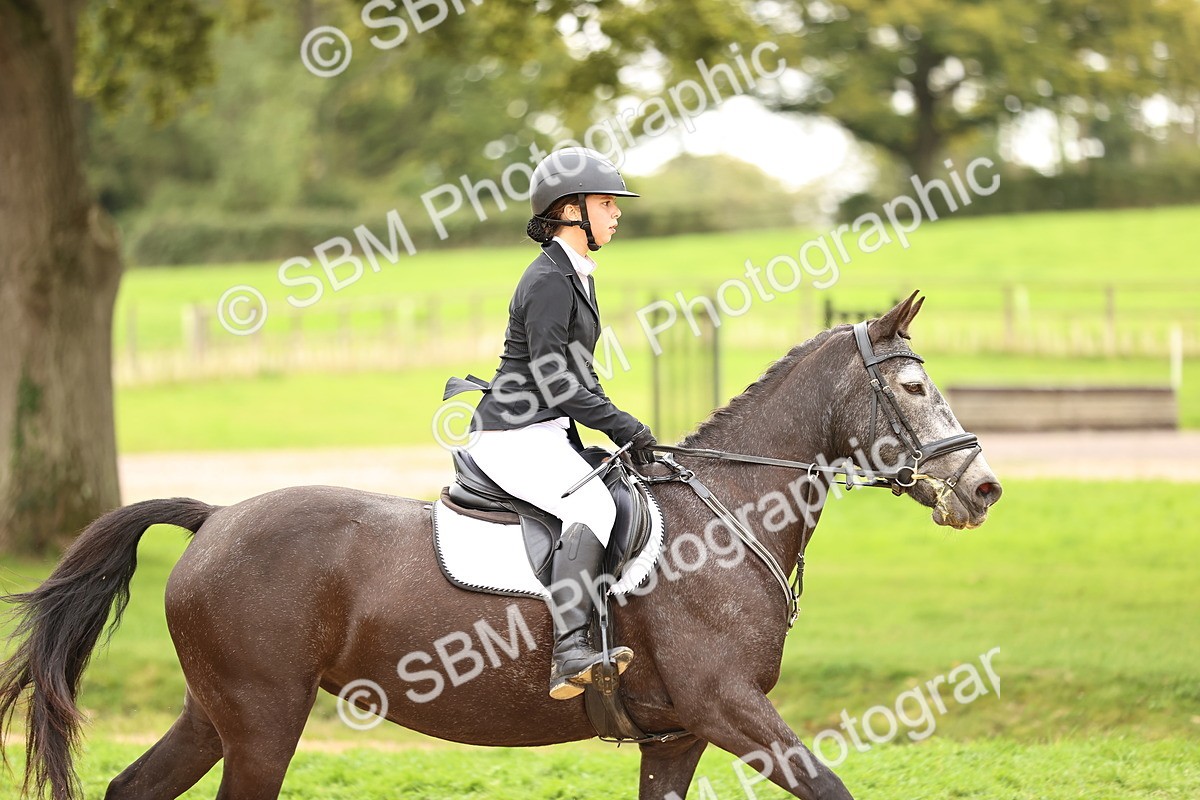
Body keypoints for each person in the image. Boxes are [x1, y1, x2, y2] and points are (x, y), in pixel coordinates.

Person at [450, 147, 658, 700]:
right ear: (571, 210)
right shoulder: (546, 280)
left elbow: (580, 376)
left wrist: (621, 425)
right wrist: (622, 426)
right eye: (607, 203)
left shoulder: (576, 274)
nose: (616, 214)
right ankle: (570, 653)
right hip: (512, 434)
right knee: (590, 505)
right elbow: (555, 382)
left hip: (543, 431)